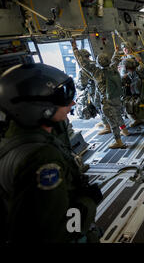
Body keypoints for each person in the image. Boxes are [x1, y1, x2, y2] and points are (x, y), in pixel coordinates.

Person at [0, 63, 102, 242]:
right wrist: (88, 202)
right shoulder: (41, 158)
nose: (72, 102)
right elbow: (57, 232)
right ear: (38, 107)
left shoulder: (14, 141)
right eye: (63, 98)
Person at [72, 40, 129, 149]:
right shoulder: (112, 68)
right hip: (117, 98)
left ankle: (118, 142)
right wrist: (116, 50)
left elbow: (82, 63)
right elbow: (115, 59)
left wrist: (75, 49)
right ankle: (125, 131)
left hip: (107, 101)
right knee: (118, 115)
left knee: (112, 122)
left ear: (99, 63)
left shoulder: (97, 72)